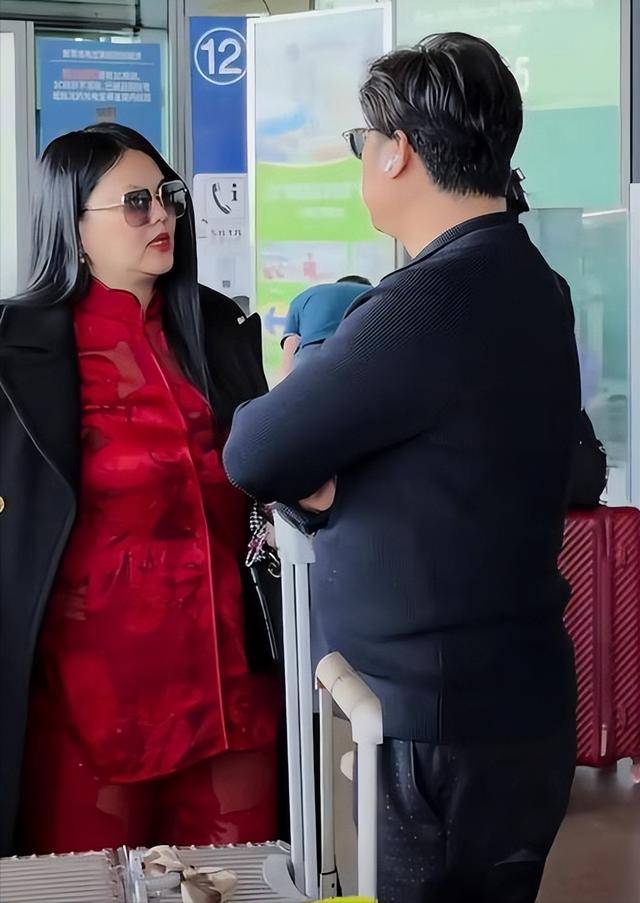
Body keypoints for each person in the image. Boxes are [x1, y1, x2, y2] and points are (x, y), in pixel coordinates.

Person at [224, 33, 580, 903]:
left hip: (437, 730)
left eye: (362, 140)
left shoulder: (425, 301)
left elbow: (255, 450)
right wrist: (344, 482)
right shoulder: (531, 279)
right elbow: (466, 467)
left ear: (399, 152)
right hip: (516, 705)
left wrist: (326, 465)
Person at [0, 124, 280, 856]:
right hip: (92, 700)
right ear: (73, 226)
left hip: (231, 688)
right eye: (135, 202)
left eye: (168, 195)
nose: (162, 215)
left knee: (241, 882)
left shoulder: (218, 329)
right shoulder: (17, 351)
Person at [281, 275, 372, 375]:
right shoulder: (374, 293)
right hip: (362, 353)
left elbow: (291, 341)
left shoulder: (305, 296)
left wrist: (284, 381)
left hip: (313, 358)